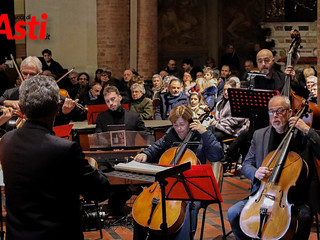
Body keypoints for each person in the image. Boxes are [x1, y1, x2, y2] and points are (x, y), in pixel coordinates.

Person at [0, 75, 111, 240]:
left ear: (21, 109)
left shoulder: (6, 141)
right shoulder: (64, 149)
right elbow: (100, 190)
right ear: (57, 108)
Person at [227, 95, 320, 240]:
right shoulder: (259, 135)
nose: (275, 115)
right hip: (263, 194)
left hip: (296, 197)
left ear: (289, 113)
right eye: (271, 112)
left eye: (280, 111)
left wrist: (307, 130)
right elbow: (246, 164)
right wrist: (255, 172)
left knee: (305, 217)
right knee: (233, 213)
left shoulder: (302, 134)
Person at [134, 105, 223, 240]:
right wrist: (145, 154)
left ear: (189, 122)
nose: (179, 128)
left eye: (182, 124)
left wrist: (205, 133)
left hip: (193, 188)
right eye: (175, 125)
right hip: (169, 185)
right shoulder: (171, 134)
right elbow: (156, 147)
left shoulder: (201, 134)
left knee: (191, 207)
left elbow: (217, 155)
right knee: (142, 205)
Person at [0, 56, 77, 126]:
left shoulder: (47, 95)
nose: (27, 78)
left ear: (39, 74)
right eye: (25, 73)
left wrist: (65, 112)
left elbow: (58, 124)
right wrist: (6, 102)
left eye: (32, 74)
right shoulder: (10, 93)